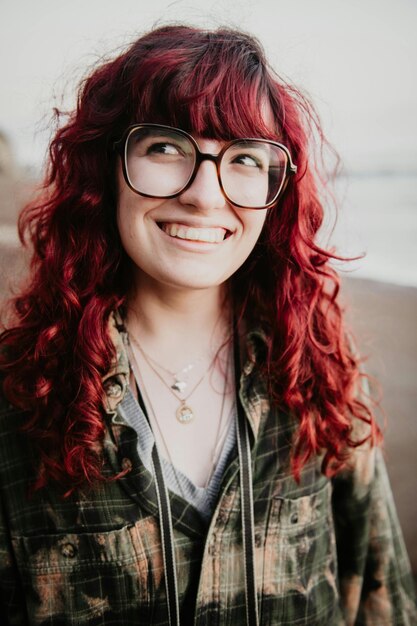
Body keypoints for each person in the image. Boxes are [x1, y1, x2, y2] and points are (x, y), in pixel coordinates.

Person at [0, 24, 415, 626]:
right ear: (106, 169)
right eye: (167, 147)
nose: (204, 195)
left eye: (245, 158)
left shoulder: (322, 380)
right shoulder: (16, 400)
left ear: (277, 190)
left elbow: (384, 603)